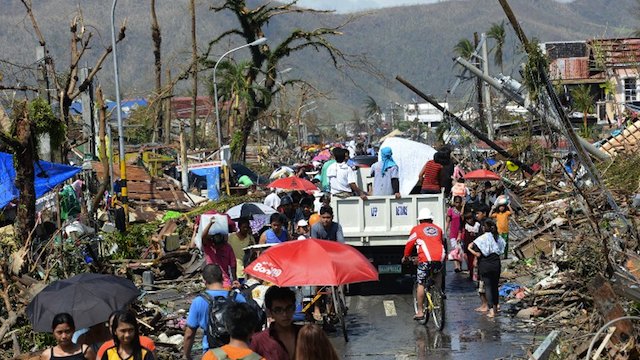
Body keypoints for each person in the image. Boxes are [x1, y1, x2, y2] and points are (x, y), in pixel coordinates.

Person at [183, 265, 247, 360]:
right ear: (222, 278)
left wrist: (186, 356)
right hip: (237, 353)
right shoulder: (238, 297)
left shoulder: (199, 301)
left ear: (204, 281)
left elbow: (189, 334)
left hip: (212, 354)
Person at [402, 208, 445, 320]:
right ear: (431, 219)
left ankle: (420, 312)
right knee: (438, 273)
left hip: (426, 259)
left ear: (420, 220)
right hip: (440, 257)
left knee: (421, 283)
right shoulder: (439, 229)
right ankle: (438, 293)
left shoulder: (417, 229)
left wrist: (406, 257)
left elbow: (409, 244)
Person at [467, 219, 505, 318]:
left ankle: (491, 310)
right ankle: (496, 308)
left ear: (485, 227)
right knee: (495, 286)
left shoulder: (481, 239)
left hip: (485, 264)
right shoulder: (498, 237)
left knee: (488, 287)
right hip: (496, 263)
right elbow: (502, 249)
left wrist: (470, 249)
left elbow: (474, 248)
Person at [250, 287, 301, 360]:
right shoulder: (258, 341)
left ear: (294, 308)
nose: (285, 314)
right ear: (269, 312)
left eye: (289, 308)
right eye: (278, 310)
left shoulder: (305, 335)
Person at [202, 219, 236, 287]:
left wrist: (235, 280)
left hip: (225, 282)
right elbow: (203, 237)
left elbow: (233, 265)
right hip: (211, 281)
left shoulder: (227, 247)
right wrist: (210, 224)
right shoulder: (209, 246)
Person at [228, 217, 254, 282]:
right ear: (239, 227)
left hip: (247, 272)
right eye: (244, 227)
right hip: (235, 273)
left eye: (247, 227)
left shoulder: (251, 239)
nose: (245, 229)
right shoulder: (231, 237)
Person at [445, 196, 464, 273]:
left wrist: (463, 207)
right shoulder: (451, 210)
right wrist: (445, 231)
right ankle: (457, 266)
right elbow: (448, 222)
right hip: (453, 233)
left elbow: (463, 218)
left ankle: (460, 265)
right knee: (455, 249)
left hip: (462, 232)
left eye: (459, 202)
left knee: (461, 249)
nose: (457, 204)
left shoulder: (463, 210)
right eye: (456, 202)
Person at [462, 212, 481, 280]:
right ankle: (471, 274)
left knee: (478, 262)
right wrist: (465, 249)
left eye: (470, 218)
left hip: (477, 246)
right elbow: (465, 239)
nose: (470, 220)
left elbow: (480, 235)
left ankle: (478, 275)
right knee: (470, 262)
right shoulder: (466, 226)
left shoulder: (478, 225)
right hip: (469, 247)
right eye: (467, 219)